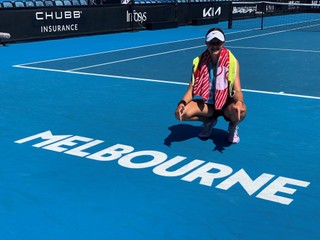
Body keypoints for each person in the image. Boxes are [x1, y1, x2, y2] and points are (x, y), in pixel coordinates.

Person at [174, 28, 246, 144]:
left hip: (226, 104)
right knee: (181, 114)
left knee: (241, 111)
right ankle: (208, 121)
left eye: (218, 42)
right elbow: (191, 90)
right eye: (212, 42)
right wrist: (181, 104)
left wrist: (239, 102)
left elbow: (237, 90)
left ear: (223, 43)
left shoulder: (232, 61)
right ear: (206, 43)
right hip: (209, 105)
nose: (215, 45)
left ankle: (233, 126)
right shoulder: (198, 62)